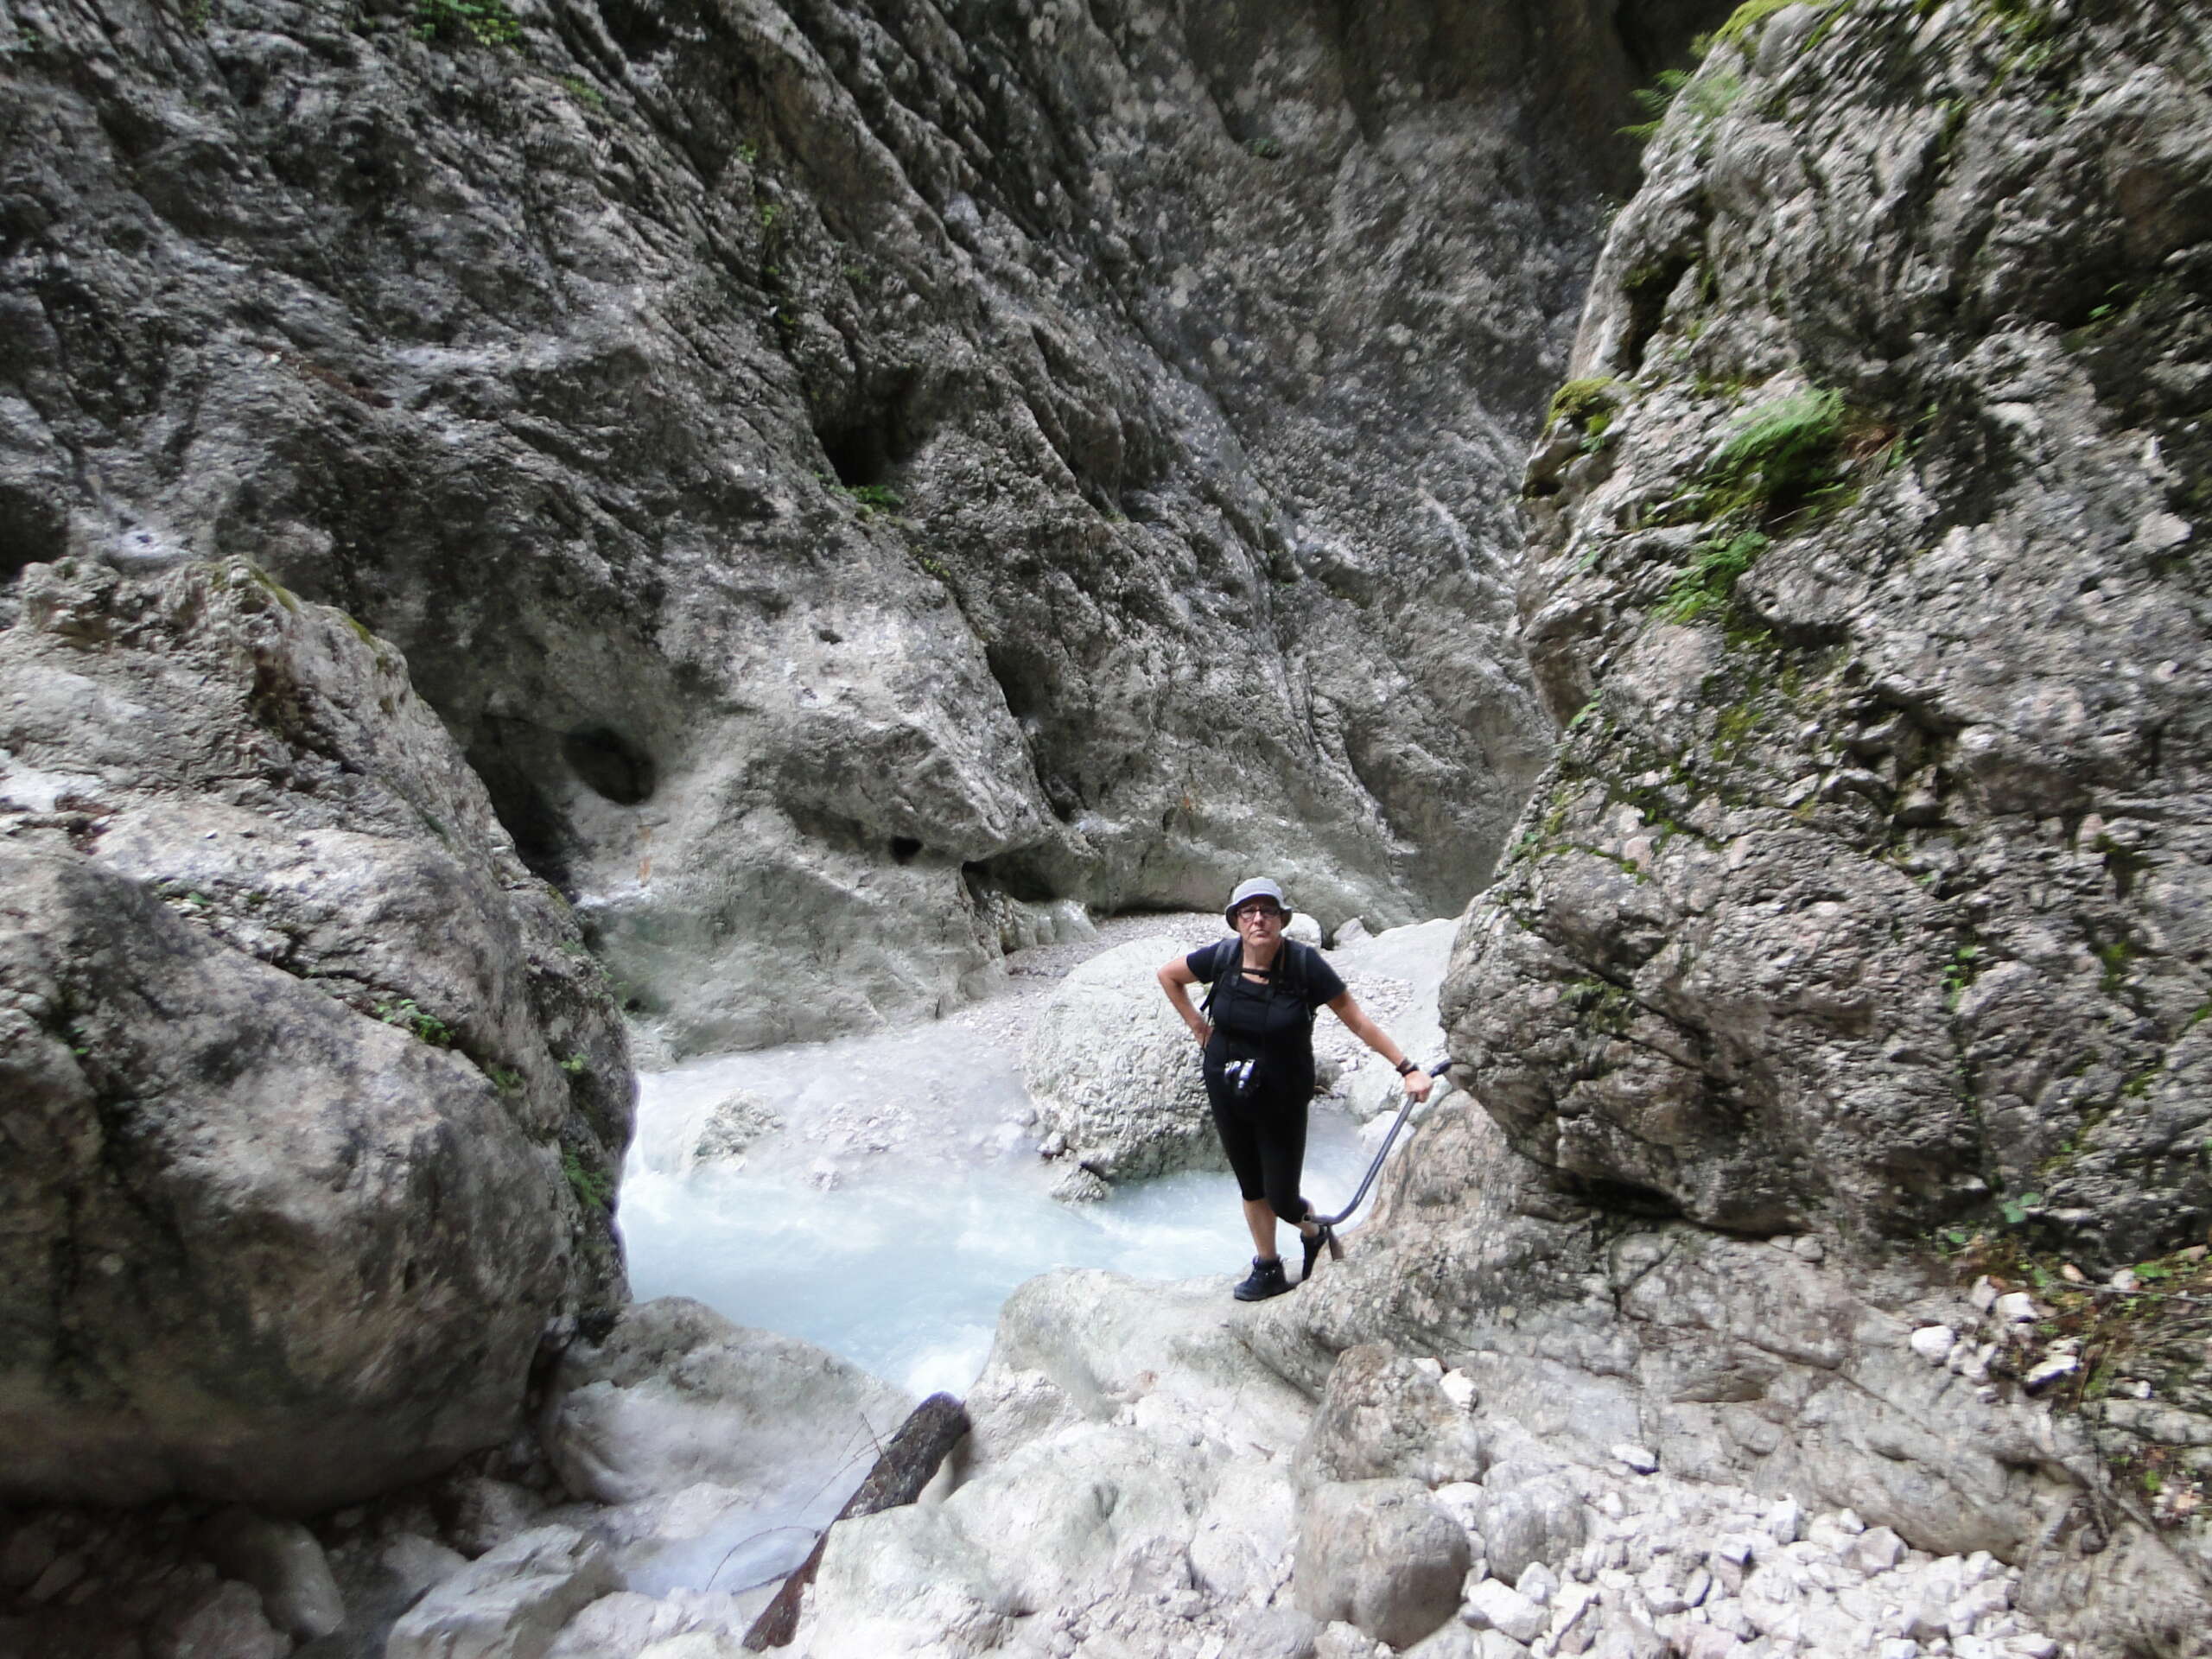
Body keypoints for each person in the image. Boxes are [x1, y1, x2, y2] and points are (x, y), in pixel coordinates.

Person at [1156, 877, 1433, 1301]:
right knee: (1251, 1185)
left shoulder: (1304, 966)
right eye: (1248, 912)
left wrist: (1407, 1068)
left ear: (1282, 919)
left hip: (1283, 1094)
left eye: (1268, 911)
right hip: (1228, 1084)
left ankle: (1313, 1231)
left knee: (1283, 1197)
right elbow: (1168, 975)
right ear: (1236, 921)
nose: (1258, 919)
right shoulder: (1223, 958)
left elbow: (1358, 1022)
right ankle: (1267, 1267)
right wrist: (1198, 1025)